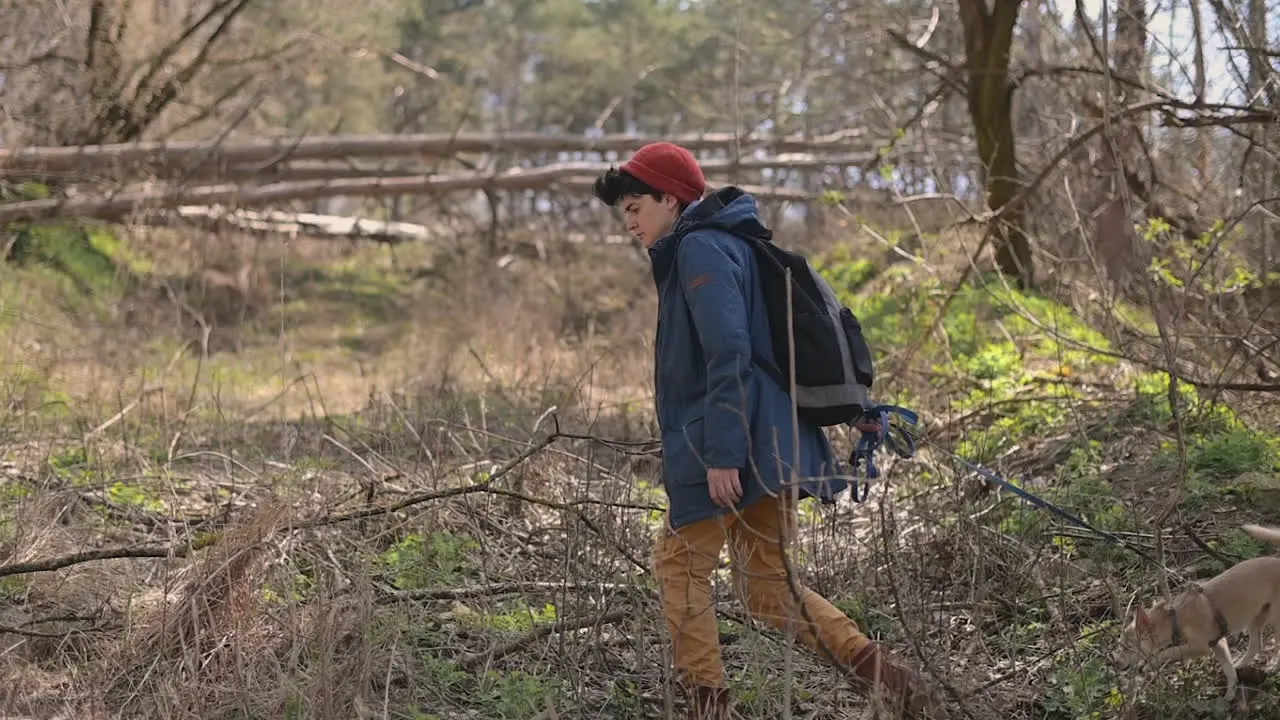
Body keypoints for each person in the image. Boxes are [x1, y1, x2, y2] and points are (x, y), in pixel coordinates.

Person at [591, 142, 946, 720]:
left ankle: (708, 705)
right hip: (773, 445)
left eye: (636, 207)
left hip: (734, 445)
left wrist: (723, 454)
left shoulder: (700, 249)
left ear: (671, 198)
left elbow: (727, 352)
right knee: (769, 591)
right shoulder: (733, 244)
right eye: (623, 211)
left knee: (679, 565)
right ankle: (891, 680)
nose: (629, 221)